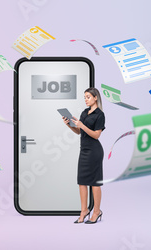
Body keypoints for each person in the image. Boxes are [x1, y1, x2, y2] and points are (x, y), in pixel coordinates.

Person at [62, 87, 105, 224]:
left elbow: (96, 135)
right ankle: (84, 211)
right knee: (81, 181)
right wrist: (69, 124)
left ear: (95, 98)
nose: (86, 99)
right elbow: (79, 132)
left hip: (95, 151)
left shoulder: (100, 115)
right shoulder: (84, 113)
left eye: (88, 97)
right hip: (84, 150)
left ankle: (96, 211)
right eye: (84, 97)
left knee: (94, 183)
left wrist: (82, 125)